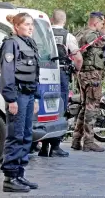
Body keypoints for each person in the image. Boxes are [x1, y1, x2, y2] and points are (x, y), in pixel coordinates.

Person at [0, 13, 40, 192]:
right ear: (16, 26)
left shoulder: (30, 43)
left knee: (25, 135)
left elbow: (34, 73)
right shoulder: (11, 44)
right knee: (15, 135)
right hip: (18, 95)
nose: (31, 28)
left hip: (29, 95)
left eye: (32, 25)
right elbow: (7, 75)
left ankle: (19, 174)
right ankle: (9, 178)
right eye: (27, 25)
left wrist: (37, 97)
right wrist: (11, 99)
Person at [38, 9, 83, 158]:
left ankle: (44, 147)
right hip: (62, 73)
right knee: (60, 108)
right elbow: (78, 58)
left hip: (45, 72)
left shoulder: (45, 34)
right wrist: (77, 70)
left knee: (47, 109)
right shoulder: (68, 36)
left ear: (51, 19)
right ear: (65, 21)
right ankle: (55, 146)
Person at [71, 11, 105, 152]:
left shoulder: (80, 33)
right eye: (101, 23)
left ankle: (76, 139)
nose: (102, 26)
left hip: (84, 76)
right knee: (92, 108)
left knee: (84, 107)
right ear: (95, 22)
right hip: (91, 76)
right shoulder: (90, 34)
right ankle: (88, 141)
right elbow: (100, 41)